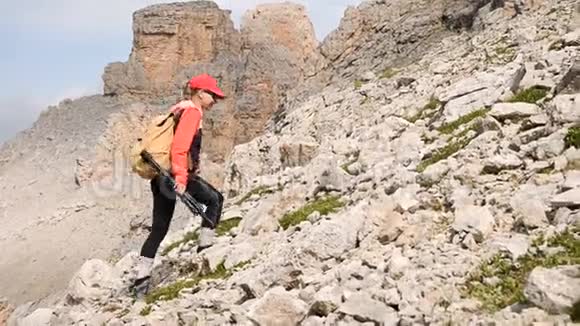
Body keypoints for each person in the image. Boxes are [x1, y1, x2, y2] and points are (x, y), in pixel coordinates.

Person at [133, 73, 225, 289]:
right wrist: (182, 179)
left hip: (160, 175)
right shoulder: (192, 113)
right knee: (215, 200)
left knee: (159, 228)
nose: (215, 100)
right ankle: (205, 252)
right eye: (212, 95)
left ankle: (140, 281)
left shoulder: (178, 109)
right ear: (200, 93)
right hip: (176, 174)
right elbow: (180, 148)